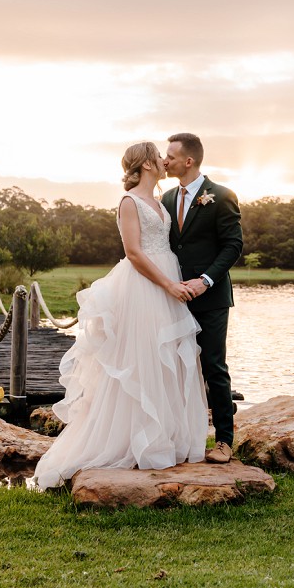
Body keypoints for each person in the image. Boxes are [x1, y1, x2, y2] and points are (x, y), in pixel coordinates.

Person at [33, 142, 208, 490]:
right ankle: (129, 440)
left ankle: (161, 439)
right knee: (139, 360)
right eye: (158, 156)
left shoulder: (159, 202)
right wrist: (168, 285)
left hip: (167, 281)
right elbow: (134, 253)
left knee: (164, 361)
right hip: (144, 286)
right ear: (146, 164)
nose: (164, 160)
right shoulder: (129, 202)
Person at [162, 132, 243, 463]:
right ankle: (178, 437)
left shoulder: (221, 196)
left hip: (211, 298)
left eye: (170, 156)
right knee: (174, 367)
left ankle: (224, 441)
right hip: (173, 297)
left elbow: (233, 246)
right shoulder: (167, 198)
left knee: (213, 365)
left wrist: (205, 280)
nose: (164, 161)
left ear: (188, 161)